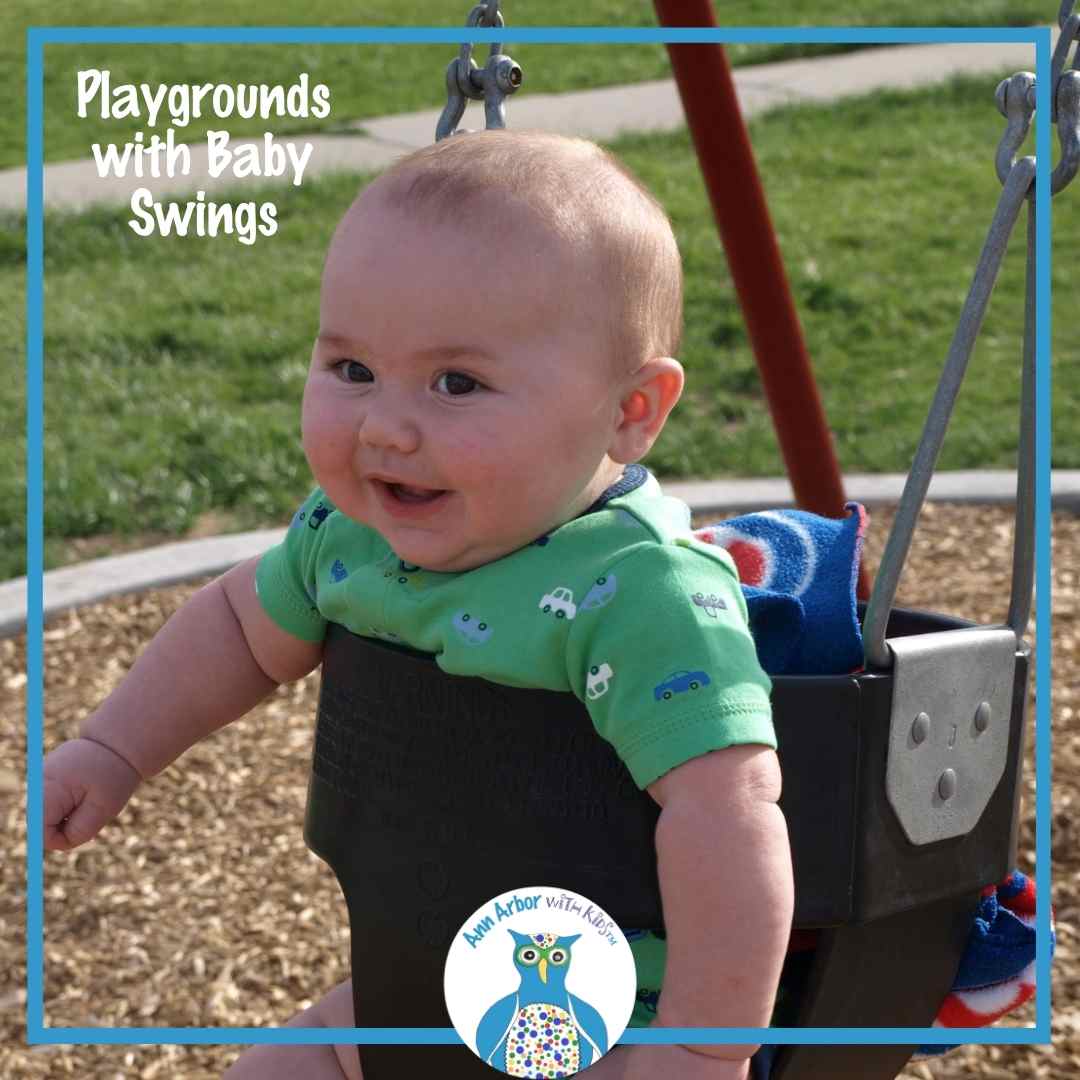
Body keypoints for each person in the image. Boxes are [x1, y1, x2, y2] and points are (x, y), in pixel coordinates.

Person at [43, 130, 794, 1080]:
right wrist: (114, 750)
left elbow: (728, 816)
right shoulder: (348, 537)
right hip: (419, 986)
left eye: (456, 384)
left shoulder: (645, 593)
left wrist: (698, 1043)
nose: (386, 429)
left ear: (629, 412)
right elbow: (239, 628)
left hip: (604, 1013)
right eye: (352, 370)